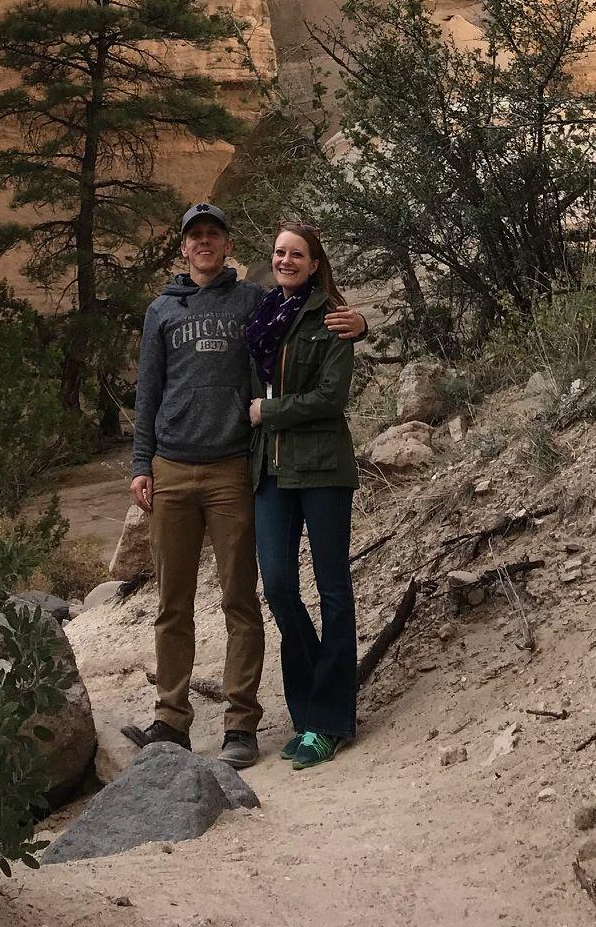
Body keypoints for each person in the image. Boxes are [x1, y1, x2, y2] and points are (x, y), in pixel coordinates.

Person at [125, 202, 366, 768]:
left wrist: (360, 324)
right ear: (183, 247)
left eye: (213, 234)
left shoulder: (253, 302)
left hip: (239, 466)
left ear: (227, 244)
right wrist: (141, 465)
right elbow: (147, 392)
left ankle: (244, 724)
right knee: (182, 599)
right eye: (195, 236)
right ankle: (170, 718)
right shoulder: (162, 310)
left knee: (245, 598)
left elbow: (312, 313)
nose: (204, 243)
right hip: (178, 467)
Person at [247, 221, 360, 769]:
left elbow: (330, 397)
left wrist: (268, 412)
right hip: (269, 473)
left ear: (315, 263)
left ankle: (330, 720)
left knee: (335, 591)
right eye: (279, 253)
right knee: (279, 588)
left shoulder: (335, 318)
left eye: (297, 254)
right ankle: (311, 707)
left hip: (322, 469)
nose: (286, 261)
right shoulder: (264, 313)